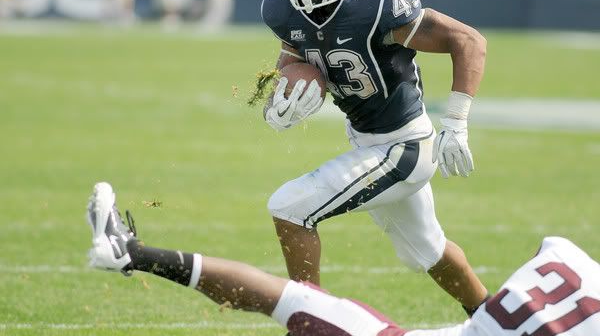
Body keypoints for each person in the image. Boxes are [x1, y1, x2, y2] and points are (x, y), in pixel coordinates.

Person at [259, 0, 488, 315]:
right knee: (428, 253)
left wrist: (457, 121)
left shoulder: (376, 1)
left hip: (405, 147)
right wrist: (278, 104)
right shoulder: (285, 7)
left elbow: (468, 41)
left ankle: (312, 320)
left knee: (289, 207)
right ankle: (498, 316)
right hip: (368, 144)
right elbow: (292, 63)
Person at [87, 182, 600, 335]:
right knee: (294, 300)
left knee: (290, 299)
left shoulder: (573, 257)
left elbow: (545, 253)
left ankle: (131, 253)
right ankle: (128, 252)